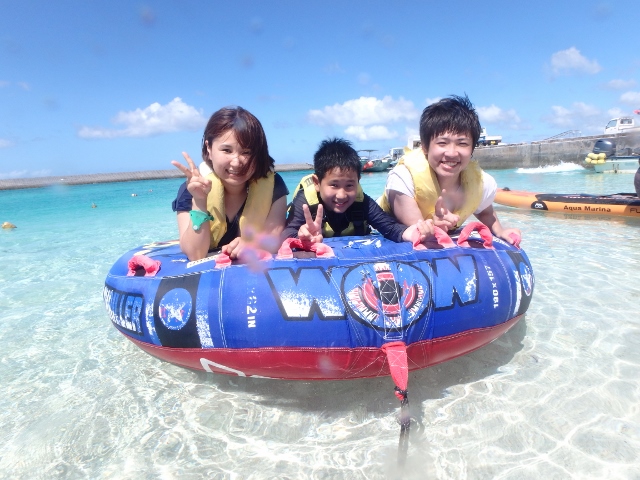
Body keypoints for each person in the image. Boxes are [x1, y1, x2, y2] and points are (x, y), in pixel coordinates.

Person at [379, 95, 521, 245]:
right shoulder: (404, 178)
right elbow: (418, 232)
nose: (452, 153)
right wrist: (435, 226)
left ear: (472, 149)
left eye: (462, 143)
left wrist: (500, 231)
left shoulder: (482, 182)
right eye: (442, 143)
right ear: (425, 147)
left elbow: (485, 211)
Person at [171, 106, 289, 261]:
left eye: (246, 152)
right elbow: (195, 254)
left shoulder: (274, 186)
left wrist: (253, 246)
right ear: (209, 148)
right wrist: (199, 202)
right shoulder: (191, 189)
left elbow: (272, 240)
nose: (236, 162)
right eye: (227, 150)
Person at [282, 137, 433, 244]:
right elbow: (286, 234)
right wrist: (302, 237)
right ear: (317, 183)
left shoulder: (362, 203)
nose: (341, 195)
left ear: (358, 181)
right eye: (334, 185)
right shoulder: (306, 203)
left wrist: (416, 233)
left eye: (349, 185)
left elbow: (391, 228)